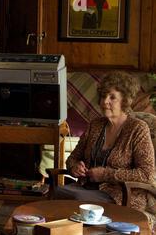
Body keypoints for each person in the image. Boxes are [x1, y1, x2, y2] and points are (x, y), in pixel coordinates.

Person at [54, 72, 155, 218]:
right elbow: (72, 158)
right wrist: (75, 167)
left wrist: (105, 174)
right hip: (87, 189)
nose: (104, 101)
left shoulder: (138, 129)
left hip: (120, 196)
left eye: (112, 97)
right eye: (102, 96)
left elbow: (147, 174)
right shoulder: (95, 125)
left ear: (125, 100)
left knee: (77, 200)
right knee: (59, 192)